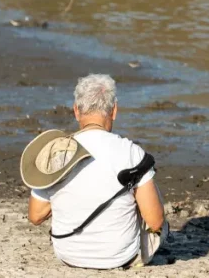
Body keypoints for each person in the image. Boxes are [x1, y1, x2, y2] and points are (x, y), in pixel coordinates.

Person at [23, 74, 167, 269]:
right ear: (114, 111)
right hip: (120, 257)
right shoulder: (131, 152)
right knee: (145, 177)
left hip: (68, 255)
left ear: (76, 111)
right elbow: (155, 222)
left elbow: (35, 216)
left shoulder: (57, 151)